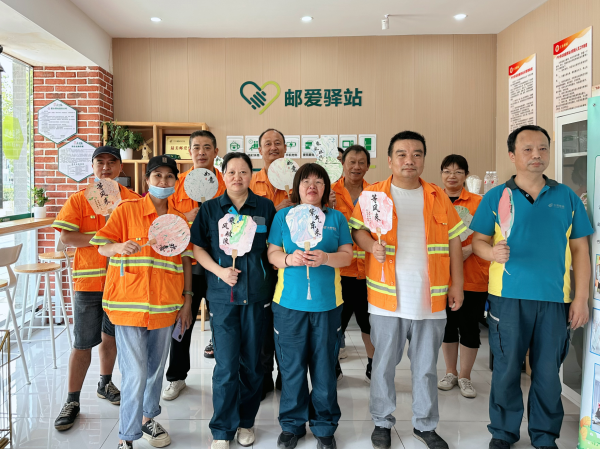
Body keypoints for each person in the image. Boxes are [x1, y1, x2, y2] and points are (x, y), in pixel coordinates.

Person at [471, 124, 592, 449]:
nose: (536, 155)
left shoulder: (566, 197)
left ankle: (544, 435)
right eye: (527, 149)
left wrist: (581, 298)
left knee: (548, 373)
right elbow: (478, 241)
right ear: (512, 155)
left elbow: (581, 249)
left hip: (554, 299)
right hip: (508, 298)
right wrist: (491, 253)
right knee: (507, 370)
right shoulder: (497, 197)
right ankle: (503, 433)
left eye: (542, 148)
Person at [351, 131, 466, 449]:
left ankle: (425, 425)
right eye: (401, 154)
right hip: (386, 298)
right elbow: (358, 230)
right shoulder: (374, 194)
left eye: (417, 154)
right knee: (383, 366)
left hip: (430, 299)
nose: (409, 160)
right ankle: (381, 422)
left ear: (424, 159)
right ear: (390, 160)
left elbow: (454, 241)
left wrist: (457, 285)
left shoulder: (437, 196)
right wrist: (371, 246)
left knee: (426, 368)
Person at [91, 155, 194, 449]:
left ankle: (148, 418)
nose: (163, 181)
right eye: (157, 175)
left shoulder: (178, 220)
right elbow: (101, 247)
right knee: (135, 373)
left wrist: (187, 300)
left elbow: (185, 260)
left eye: (169, 176)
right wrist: (118, 246)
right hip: (128, 305)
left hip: (165, 305)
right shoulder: (127, 210)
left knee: (154, 370)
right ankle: (127, 436)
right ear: (147, 179)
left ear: (176, 182)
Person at [191, 152, 277, 449]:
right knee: (226, 366)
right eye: (231, 172)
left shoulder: (265, 207)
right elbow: (198, 248)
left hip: (257, 296)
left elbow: (274, 246)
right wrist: (219, 272)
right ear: (223, 175)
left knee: (253, 364)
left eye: (243, 172)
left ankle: (246, 421)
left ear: (251, 175)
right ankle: (222, 429)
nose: (237, 177)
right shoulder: (210, 209)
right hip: (222, 296)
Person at [52, 146, 140, 431]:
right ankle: (72, 400)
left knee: (110, 337)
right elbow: (68, 237)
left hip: (121, 282)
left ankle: (105, 383)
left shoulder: (132, 199)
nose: (105, 167)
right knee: (82, 343)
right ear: (92, 167)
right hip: (88, 283)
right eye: (100, 162)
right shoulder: (79, 199)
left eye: (112, 162)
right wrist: (104, 240)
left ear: (120, 167)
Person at [267, 163, 353, 449]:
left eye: (318, 181)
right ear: (297, 187)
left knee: (325, 368)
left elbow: (347, 255)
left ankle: (324, 426)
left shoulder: (336, 218)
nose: (312, 186)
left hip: (327, 305)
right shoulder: (283, 217)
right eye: (306, 181)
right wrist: (288, 259)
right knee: (291, 368)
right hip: (288, 305)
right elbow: (272, 252)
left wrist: (326, 258)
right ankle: (292, 425)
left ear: (326, 188)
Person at [162, 130, 226, 401]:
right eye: (196, 147)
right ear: (189, 152)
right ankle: (176, 377)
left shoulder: (226, 182)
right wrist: (185, 216)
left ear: (215, 152)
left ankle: (225, 379)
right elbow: (164, 220)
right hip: (186, 264)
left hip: (219, 265)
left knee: (223, 323)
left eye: (207, 147)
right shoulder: (178, 184)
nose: (201, 152)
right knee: (183, 321)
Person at [436, 154, 490, 399]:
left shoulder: (479, 202)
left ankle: (465, 376)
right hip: (441, 277)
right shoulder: (433, 200)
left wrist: (468, 250)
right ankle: (450, 372)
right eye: (447, 171)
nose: (452, 176)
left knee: (469, 327)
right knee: (447, 326)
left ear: (466, 175)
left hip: (473, 275)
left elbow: (489, 233)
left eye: (458, 172)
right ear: (441, 175)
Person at [250, 128, 294, 398]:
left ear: (286, 148)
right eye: (268, 143)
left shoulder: (297, 180)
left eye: (278, 143)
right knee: (263, 323)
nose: (273, 147)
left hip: (292, 263)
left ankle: (286, 375)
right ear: (260, 150)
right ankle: (264, 374)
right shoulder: (250, 181)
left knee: (287, 323)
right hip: (260, 264)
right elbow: (244, 223)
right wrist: (272, 213)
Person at [331, 145, 374, 382]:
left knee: (370, 325)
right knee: (335, 325)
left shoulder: (376, 194)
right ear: (343, 164)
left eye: (361, 162)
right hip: (339, 273)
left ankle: (373, 365)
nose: (356, 167)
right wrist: (323, 206)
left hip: (370, 273)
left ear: (367, 166)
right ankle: (332, 367)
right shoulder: (329, 192)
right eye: (351, 162)